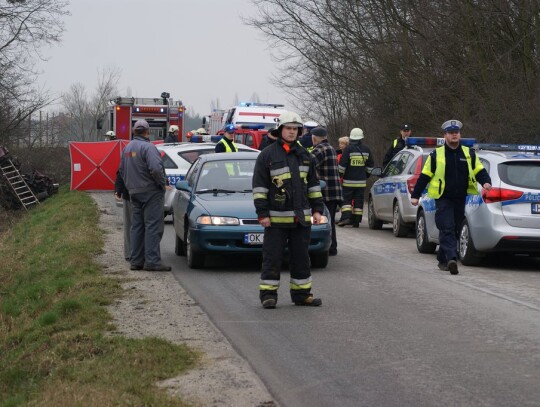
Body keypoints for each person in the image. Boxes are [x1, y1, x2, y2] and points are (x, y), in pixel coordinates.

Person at [252, 111, 324, 309]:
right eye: (288, 128)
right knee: (272, 258)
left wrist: (317, 210)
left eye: (295, 129)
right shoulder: (267, 155)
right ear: (281, 130)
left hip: (300, 219)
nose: (292, 132)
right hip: (275, 220)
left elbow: (313, 186)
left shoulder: (305, 155)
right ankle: (268, 295)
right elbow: (259, 187)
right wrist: (262, 214)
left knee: (301, 258)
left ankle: (302, 295)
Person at [410, 120, 492, 275]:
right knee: (447, 227)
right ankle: (452, 259)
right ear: (445, 135)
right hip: (443, 198)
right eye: (451, 132)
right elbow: (425, 176)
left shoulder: (469, 154)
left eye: (457, 132)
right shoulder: (436, 154)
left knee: (454, 229)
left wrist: (486, 181)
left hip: (461, 198)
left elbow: (479, 170)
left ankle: (442, 258)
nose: (454, 135)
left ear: (459, 135)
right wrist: (416, 195)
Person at [118, 119, 171, 272]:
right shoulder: (149, 148)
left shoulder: (127, 148)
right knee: (153, 226)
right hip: (151, 192)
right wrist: (161, 183)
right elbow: (155, 168)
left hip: (134, 192)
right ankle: (152, 262)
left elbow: (121, 170)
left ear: (134, 131)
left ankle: (136, 261)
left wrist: (130, 185)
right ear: (148, 132)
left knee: (137, 227)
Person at [310, 126, 343, 256]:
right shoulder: (330, 148)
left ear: (314, 138)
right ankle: (332, 247)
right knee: (330, 221)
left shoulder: (319, 149)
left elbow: (308, 165)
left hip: (326, 191)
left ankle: (329, 247)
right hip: (334, 191)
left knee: (325, 221)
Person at [337, 128, 374, 227]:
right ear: (361, 137)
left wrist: (339, 177)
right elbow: (370, 166)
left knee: (346, 201)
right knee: (359, 201)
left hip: (348, 182)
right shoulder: (366, 149)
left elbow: (341, 167)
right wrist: (365, 175)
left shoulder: (348, 149)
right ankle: (356, 221)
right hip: (361, 182)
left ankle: (346, 218)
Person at [114, 170, 131, 261]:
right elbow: (121, 172)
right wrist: (118, 190)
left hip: (146, 197)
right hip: (130, 196)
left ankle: (138, 253)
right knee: (130, 225)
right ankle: (130, 253)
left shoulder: (127, 155)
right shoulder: (128, 155)